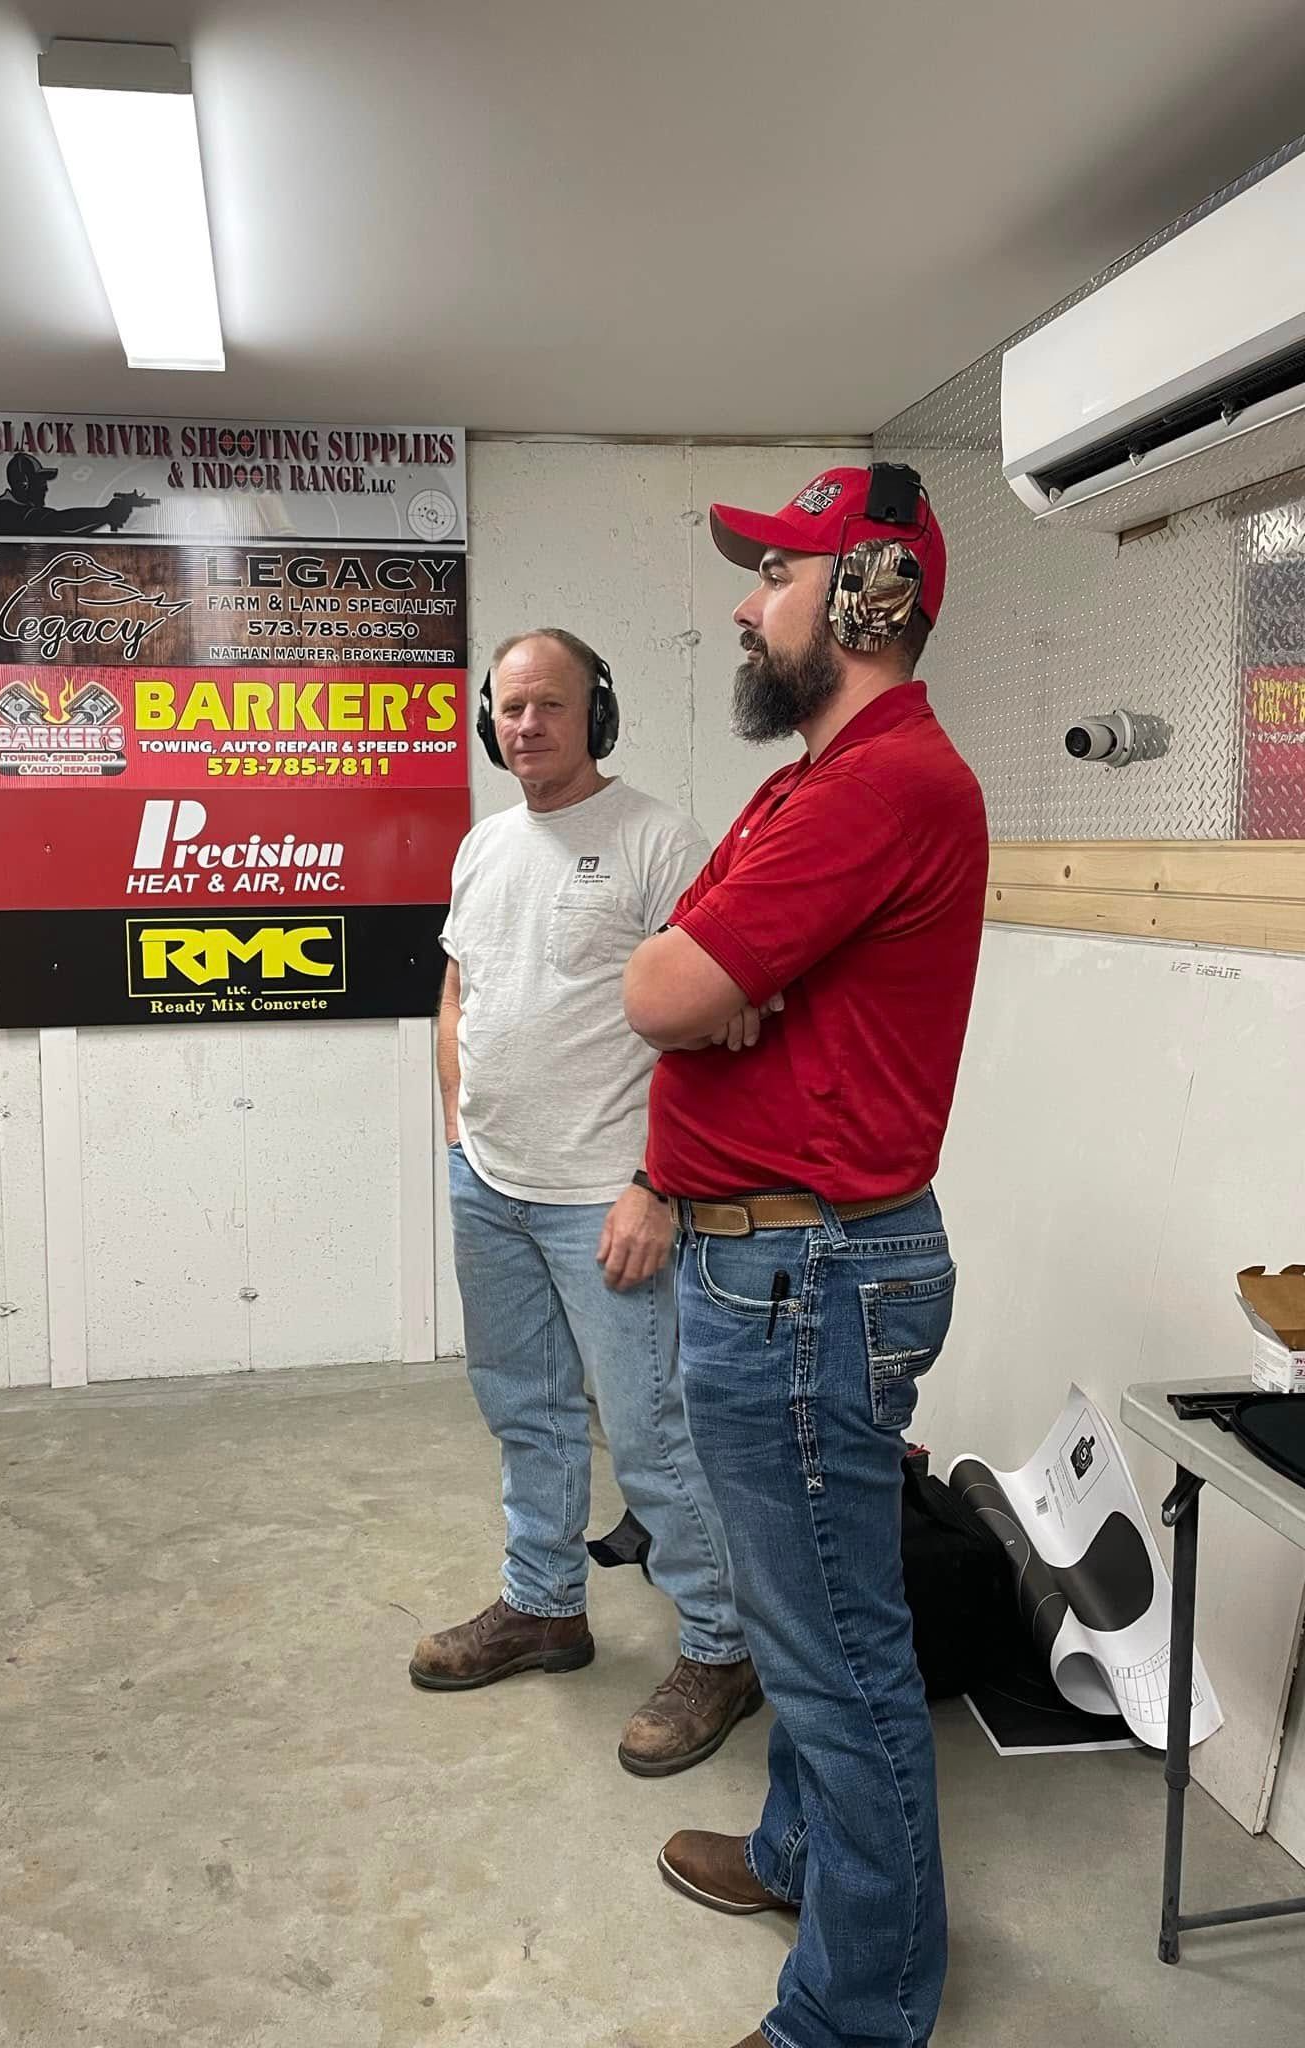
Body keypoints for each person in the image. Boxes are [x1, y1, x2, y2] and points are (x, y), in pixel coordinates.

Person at [622, 467, 988, 2048]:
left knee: (839, 1661)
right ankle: (799, 1859)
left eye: (777, 571)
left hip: (808, 1281)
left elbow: (656, 990)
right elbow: (674, 963)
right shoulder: (803, 788)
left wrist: (703, 983)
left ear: (871, 595)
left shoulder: (883, 787)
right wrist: (700, 979)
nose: (741, 599)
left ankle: (860, 2007)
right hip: (768, 1271)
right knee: (802, 1627)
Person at [411, 627, 761, 1776]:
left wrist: (659, 1183)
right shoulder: (482, 845)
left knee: (655, 1434)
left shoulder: (660, 842)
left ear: (595, 713)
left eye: (550, 706)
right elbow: (460, 986)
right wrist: (457, 1115)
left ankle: (721, 1646)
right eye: (509, 708)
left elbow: (725, 1029)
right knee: (526, 1409)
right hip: (493, 1183)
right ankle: (545, 1605)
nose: (526, 727)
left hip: (607, 1196)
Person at [0, 451, 154, 536]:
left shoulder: (14, 509)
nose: (45, 488)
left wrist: (105, 516)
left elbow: (66, 528)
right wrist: (106, 513)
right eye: (40, 482)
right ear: (24, 483)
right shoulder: (1, 511)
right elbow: (56, 523)